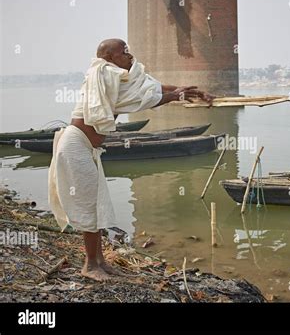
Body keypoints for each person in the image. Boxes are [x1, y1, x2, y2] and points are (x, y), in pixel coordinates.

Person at [48, 38, 214, 281]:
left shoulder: (118, 79)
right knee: (89, 204)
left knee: (96, 202)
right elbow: (140, 99)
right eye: (123, 52)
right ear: (110, 57)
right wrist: (174, 95)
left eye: (128, 50)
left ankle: (100, 261)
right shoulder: (103, 75)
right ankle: (90, 265)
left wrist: (180, 91)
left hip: (88, 148)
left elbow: (146, 89)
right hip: (75, 146)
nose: (129, 55)